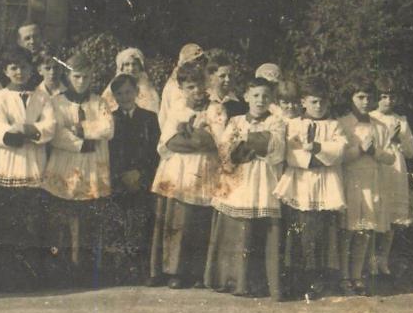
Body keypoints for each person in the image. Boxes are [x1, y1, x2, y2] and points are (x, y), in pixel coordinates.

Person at [204, 77, 286, 300]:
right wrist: (246, 146)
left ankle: (257, 283)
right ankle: (232, 280)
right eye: (256, 95)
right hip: (239, 180)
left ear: (272, 99)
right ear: (247, 97)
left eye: (266, 96)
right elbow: (225, 147)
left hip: (263, 180)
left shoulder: (276, 122)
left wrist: (246, 141)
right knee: (236, 226)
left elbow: (276, 148)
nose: (261, 100)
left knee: (260, 227)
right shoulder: (236, 120)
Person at [0, 46, 55, 291]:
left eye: (23, 67)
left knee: (32, 222)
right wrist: (12, 133)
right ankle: (5, 278)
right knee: (7, 221)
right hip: (7, 165)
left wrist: (30, 130)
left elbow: (50, 124)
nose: (19, 72)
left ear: (31, 69)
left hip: (33, 164)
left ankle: (31, 278)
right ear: (5, 71)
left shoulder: (42, 97)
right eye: (13, 68)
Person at [43, 53, 114, 287]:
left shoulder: (99, 102)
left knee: (88, 221)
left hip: (93, 166)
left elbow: (107, 129)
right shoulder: (57, 102)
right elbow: (57, 134)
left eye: (86, 77)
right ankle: (60, 270)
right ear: (68, 76)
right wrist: (83, 143)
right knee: (62, 219)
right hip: (66, 165)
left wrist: (81, 129)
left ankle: (84, 271)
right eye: (76, 76)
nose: (81, 81)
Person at [273, 77, 347, 300]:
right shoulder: (294, 125)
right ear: (303, 101)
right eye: (314, 101)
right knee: (300, 230)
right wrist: (315, 159)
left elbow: (339, 151)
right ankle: (297, 277)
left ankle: (319, 278)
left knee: (322, 230)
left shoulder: (334, 125)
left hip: (325, 186)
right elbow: (292, 154)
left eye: (323, 102)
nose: (319, 106)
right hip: (301, 184)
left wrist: (316, 148)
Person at [148, 64, 219, 289]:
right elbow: (169, 142)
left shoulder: (216, 109)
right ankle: (174, 271)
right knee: (177, 221)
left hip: (203, 170)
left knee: (199, 221)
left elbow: (216, 142)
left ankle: (197, 272)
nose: (196, 90)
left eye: (199, 85)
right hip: (178, 170)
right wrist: (198, 139)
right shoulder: (177, 108)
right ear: (181, 88)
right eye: (190, 86)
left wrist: (196, 139)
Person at [337, 76, 395, 296]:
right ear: (351, 98)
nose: (365, 101)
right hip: (350, 182)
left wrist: (375, 152)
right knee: (348, 231)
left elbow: (390, 157)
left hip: (372, 183)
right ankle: (344, 276)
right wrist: (360, 149)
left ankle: (357, 275)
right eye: (360, 97)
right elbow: (339, 157)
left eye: (369, 97)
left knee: (364, 232)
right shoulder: (343, 123)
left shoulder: (379, 126)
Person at [107, 74, 160, 284]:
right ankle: (121, 272)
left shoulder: (149, 118)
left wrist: (140, 173)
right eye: (119, 94)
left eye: (128, 92)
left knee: (141, 223)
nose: (124, 97)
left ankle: (142, 271)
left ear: (137, 92)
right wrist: (121, 174)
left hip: (142, 178)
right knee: (120, 224)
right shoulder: (110, 119)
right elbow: (110, 152)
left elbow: (153, 151)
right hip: (119, 179)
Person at [370, 76, 413, 277]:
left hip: (396, 169)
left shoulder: (402, 120)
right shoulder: (370, 118)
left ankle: (383, 258)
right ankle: (370, 259)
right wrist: (388, 138)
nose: (388, 101)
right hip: (378, 167)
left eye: (391, 97)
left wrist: (400, 139)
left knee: (392, 218)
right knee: (375, 212)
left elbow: (411, 152)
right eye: (383, 97)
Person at [102, 47, 161, 114]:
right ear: (122, 68)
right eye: (127, 64)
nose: (131, 68)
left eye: (134, 64)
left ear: (139, 66)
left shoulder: (147, 89)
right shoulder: (112, 88)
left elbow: (153, 111)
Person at [159, 43, 205, 127]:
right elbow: (165, 115)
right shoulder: (172, 86)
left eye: (201, 61)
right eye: (195, 61)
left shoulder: (204, 81)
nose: (198, 65)